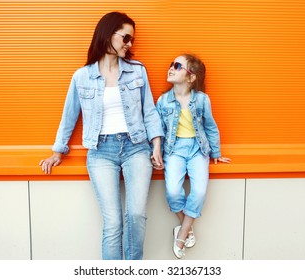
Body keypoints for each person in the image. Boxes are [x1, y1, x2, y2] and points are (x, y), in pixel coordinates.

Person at [39, 11, 164, 260]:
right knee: (113, 222)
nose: (129, 44)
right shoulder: (82, 76)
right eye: (125, 38)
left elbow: (149, 111)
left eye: (132, 40)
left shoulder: (137, 71)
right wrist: (57, 151)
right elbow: (69, 115)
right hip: (101, 151)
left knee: (136, 214)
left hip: (136, 147)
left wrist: (156, 146)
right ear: (108, 34)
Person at [154, 54, 230, 259]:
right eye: (171, 64)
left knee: (198, 192)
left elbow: (210, 126)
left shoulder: (202, 99)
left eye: (178, 66)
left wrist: (216, 152)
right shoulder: (163, 101)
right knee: (173, 192)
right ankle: (187, 227)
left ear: (191, 77)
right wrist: (156, 153)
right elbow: (157, 129)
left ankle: (181, 235)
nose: (171, 68)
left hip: (198, 150)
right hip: (174, 150)